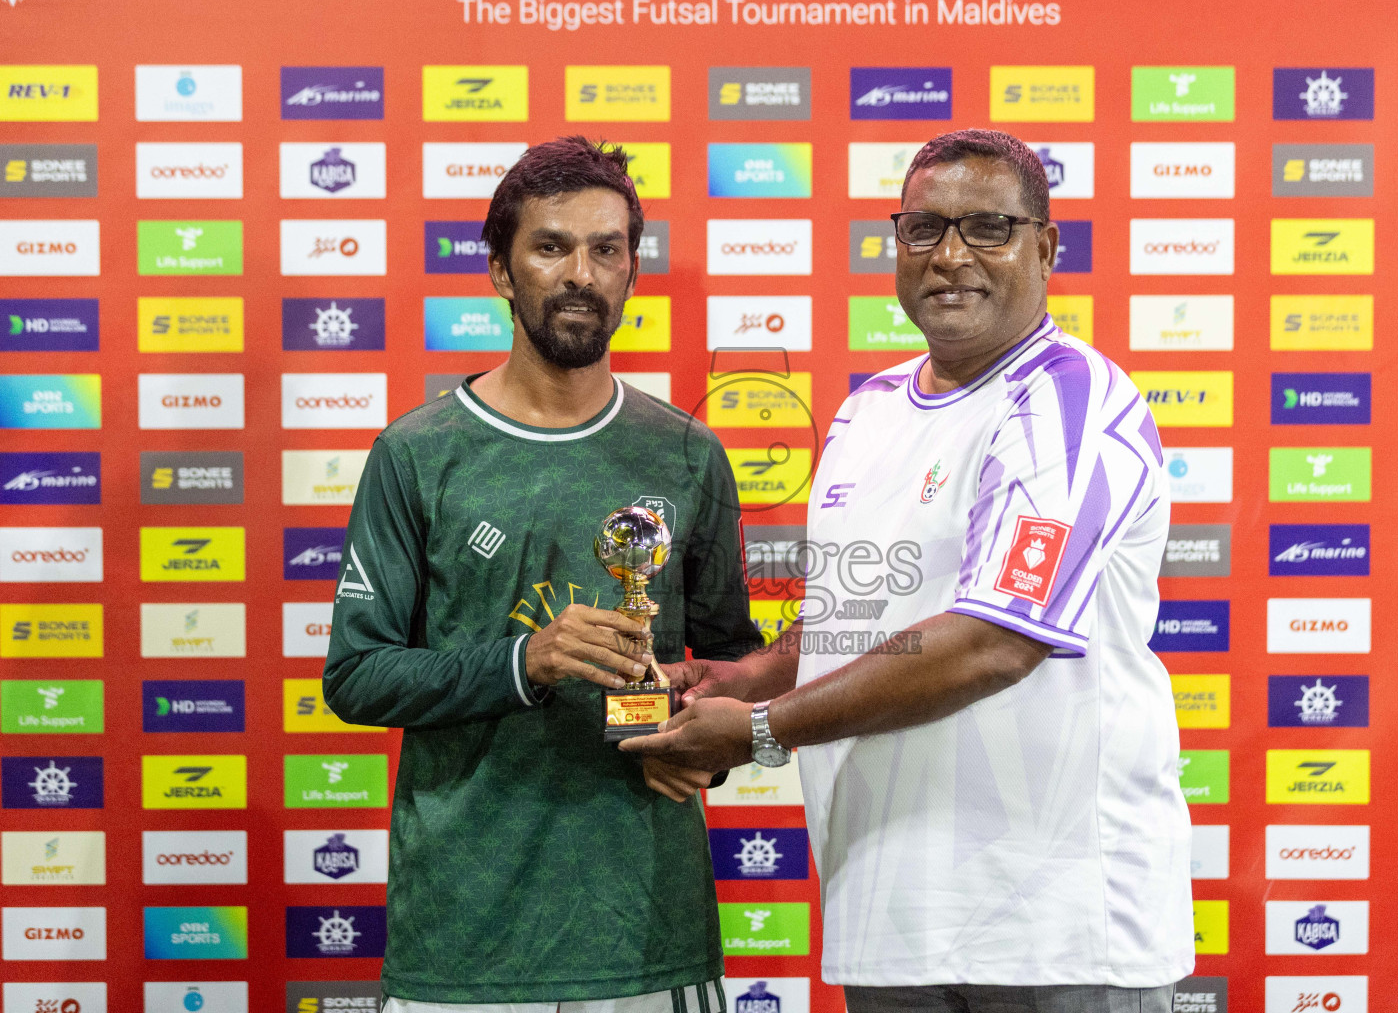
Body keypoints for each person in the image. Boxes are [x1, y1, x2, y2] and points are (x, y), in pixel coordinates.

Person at [624, 129, 1193, 1012]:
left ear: (1045, 248)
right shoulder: (870, 409)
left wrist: (763, 727)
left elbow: (994, 644)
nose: (952, 255)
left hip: (1058, 929)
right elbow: (858, 624)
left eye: (988, 228)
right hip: (889, 916)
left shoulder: (1070, 399)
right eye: (924, 229)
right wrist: (740, 677)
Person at [323, 136, 763, 1013]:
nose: (581, 274)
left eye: (606, 250)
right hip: (465, 941)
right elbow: (357, 676)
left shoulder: (686, 454)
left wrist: (700, 746)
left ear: (632, 271)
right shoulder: (417, 456)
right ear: (499, 268)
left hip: (647, 935)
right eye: (552, 246)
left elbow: (730, 667)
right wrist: (529, 662)